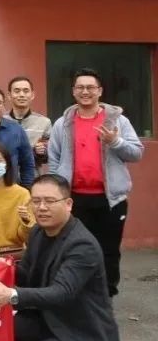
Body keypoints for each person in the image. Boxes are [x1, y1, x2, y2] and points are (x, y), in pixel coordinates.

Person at [0, 174, 122, 341]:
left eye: (49, 201)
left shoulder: (81, 245)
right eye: (36, 201)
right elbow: (28, 273)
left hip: (81, 327)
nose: (41, 207)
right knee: (6, 333)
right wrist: (0, 269)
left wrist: (13, 295)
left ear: (68, 204)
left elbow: (62, 293)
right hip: (51, 317)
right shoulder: (38, 233)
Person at [48, 68, 143, 297]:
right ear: (73, 91)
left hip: (110, 200)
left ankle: (105, 295)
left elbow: (137, 153)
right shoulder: (63, 123)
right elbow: (54, 159)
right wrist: (57, 192)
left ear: (100, 91)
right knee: (72, 248)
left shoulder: (118, 120)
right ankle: (75, 293)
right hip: (73, 199)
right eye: (80, 87)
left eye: (90, 87)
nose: (85, 92)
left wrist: (115, 141)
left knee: (108, 250)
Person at [4, 76, 52, 171]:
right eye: (17, 91)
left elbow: (50, 155)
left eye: (26, 91)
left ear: (32, 95)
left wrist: (42, 152)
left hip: (33, 176)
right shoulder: (0, 120)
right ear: (9, 95)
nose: (22, 95)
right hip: (5, 176)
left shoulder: (44, 122)